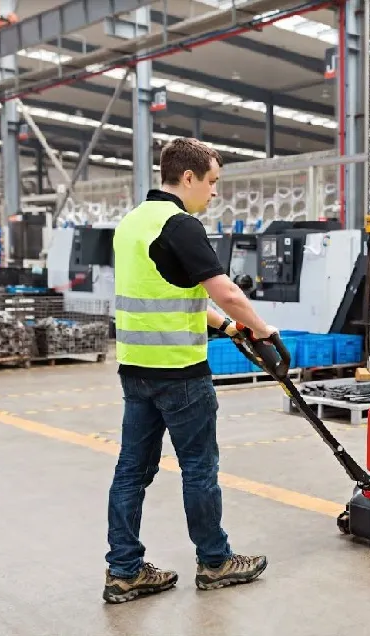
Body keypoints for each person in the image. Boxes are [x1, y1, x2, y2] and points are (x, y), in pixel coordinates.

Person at [103, 137, 277, 604]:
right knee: (199, 469)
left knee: (130, 471)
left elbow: (170, 292)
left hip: (136, 371)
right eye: (212, 182)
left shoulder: (131, 224)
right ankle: (216, 562)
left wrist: (228, 328)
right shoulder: (181, 225)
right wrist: (260, 328)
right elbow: (226, 291)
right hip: (181, 373)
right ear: (188, 178)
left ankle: (124, 571)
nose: (213, 193)